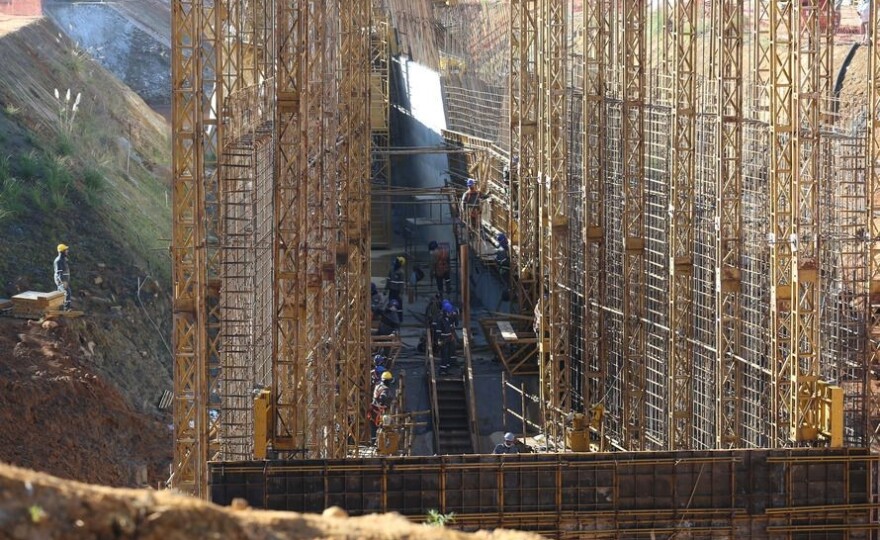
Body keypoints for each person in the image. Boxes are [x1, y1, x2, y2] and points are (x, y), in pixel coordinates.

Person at [437, 301, 458, 371]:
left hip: (449, 339)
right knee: (444, 354)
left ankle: (447, 367)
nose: (450, 313)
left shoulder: (448, 319)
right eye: (449, 312)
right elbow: (438, 332)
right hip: (444, 340)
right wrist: (440, 340)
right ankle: (443, 369)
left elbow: (454, 325)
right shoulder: (441, 320)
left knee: (449, 353)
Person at [53, 243, 72, 311]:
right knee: (67, 292)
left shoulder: (63, 260)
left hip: (64, 280)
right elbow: (59, 272)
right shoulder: (59, 261)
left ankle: (62, 308)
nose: (67, 251)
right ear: (62, 251)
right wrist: (62, 281)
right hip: (61, 280)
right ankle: (66, 309)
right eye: (66, 250)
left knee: (63, 293)